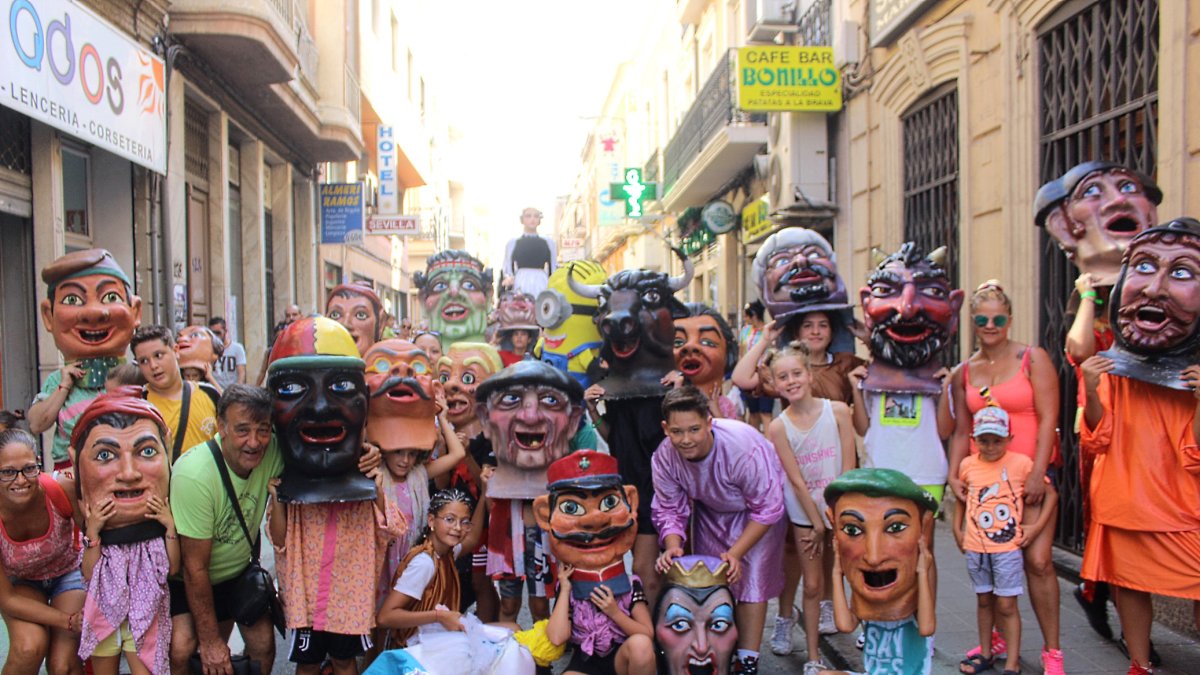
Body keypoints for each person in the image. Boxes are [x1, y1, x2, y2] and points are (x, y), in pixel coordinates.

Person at [1078, 218, 1200, 675]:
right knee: (1129, 585)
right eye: (1144, 267)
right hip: (1126, 501)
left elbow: (1195, 455)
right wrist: (1091, 388)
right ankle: (1139, 664)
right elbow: (1099, 438)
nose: (1153, 289)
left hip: (1186, 507)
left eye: (1183, 273)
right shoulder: (1116, 365)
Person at [946, 281, 1064, 675]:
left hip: (1027, 477)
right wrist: (953, 475)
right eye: (982, 319)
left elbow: (1049, 418)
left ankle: (1053, 651)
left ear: (1009, 319)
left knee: (1039, 560)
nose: (990, 325)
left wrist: (1038, 472)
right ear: (973, 322)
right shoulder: (966, 370)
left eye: (998, 318)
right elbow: (962, 431)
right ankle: (995, 639)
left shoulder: (1033, 358)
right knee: (991, 559)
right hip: (985, 481)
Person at [652, 386, 787, 675]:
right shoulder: (664, 457)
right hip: (711, 513)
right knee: (710, 581)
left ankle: (748, 661)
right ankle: (717, 654)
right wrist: (673, 545)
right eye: (677, 431)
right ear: (665, 428)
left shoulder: (743, 448)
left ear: (709, 422)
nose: (686, 440)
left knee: (752, 583)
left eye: (694, 429)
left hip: (756, 518)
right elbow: (668, 507)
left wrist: (736, 553)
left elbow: (767, 507)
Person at [167, 385, 282, 675]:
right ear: (222, 427)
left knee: (264, 644)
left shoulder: (273, 450)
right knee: (183, 649)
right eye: (242, 430)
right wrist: (210, 641)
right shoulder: (194, 474)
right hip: (189, 579)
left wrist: (368, 453)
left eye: (263, 430)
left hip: (238, 574)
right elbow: (195, 569)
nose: (254, 442)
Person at [762, 342, 854, 670]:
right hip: (806, 516)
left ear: (810, 374)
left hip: (840, 511)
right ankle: (814, 657)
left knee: (849, 574)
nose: (791, 381)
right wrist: (816, 522)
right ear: (774, 383)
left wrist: (837, 516)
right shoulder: (778, 427)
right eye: (783, 377)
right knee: (812, 584)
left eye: (797, 373)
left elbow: (847, 468)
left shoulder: (838, 411)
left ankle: (869, 642)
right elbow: (797, 480)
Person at [74, 392, 180, 675]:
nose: (129, 473)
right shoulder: (97, 537)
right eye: (105, 455)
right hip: (103, 612)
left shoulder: (155, 537)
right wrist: (93, 532)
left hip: (146, 613)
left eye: (146, 451)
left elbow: (173, 568)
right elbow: (88, 572)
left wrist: (169, 527)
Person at [952, 407, 1055, 675]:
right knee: (984, 600)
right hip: (976, 548)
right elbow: (962, 498)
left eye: (997, 440)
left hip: (1006, 550)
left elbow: (1051, 496)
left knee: (1007, 605)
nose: (990, 446)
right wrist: (956, 528)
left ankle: (1013, 662)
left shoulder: (1020, 464)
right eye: (984, 440)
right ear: (975, 439)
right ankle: (986, 652)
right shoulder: (968, 465)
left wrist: (1033, 529)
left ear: (1009, 438)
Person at [29, 249, 142, 471]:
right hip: (70, 475)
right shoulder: (59, 381)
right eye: (72, 299)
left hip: (125, 471)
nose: (93, 312)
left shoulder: (137, 375)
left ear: (135, 311)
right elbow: (36, 424)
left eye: (111, 297)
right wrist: (63, 387)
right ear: (48, 316)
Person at [823, 469, 937, 675]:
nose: (873, 558)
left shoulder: (913, 608)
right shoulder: (866, 603)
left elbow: (927, 628)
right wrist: (836, 572)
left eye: (895, 528)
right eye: (852, 530)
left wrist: (922, 572)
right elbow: (844, 625)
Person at [0, 428, 84, 675]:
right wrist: (67, 621)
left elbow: (93, 535)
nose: (21, 480)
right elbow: (6, 599)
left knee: (62, 664)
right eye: (7, 472)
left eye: (28, 468)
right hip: (21, 583)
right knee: (29, 648)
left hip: (69, 572)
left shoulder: (60, 489)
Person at [376, 488, 486, 648]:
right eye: (450, 519)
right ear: (431, 521)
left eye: (464, 522)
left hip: (431, 643)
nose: (457, 527)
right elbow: (385, 617)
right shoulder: (424, 563)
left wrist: (483, 495)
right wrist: (439, 616)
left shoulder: (446, 553)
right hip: (412, 651)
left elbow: (472, 539)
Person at [131, 326, 219, 461]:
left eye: (158, 355)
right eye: (144, 361)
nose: (153, 365)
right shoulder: (137, 405)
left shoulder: (210, 394)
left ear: (176, 351)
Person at [503, 207, 557, 297]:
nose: (532, 219)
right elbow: (508, 265)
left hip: (541, 281)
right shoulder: (513, 243)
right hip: (521, 280)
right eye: (528, 216)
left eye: (536, 216)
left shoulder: (548, 242)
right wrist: (509, 279)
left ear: (539, 220)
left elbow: (553, 266)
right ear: (522, 219)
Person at [736, 301, 773, 431]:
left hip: (764, 375)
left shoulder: (769, 331)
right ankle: (754, 443)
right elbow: (741, 353)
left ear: (754, 316)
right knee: (753, 412)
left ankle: (769, 446)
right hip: (748, 376)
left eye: (746, 316)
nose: (745, 319)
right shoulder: (745, 331)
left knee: (766, 412)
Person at [208, 318, 247, 390]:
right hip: (214, 390)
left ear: (225, 331)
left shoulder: (237, 348)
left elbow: (241, 373)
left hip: (231, 390)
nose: (215, 336)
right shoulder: (208, 349)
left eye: (218, 333)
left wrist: (237, 390)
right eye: (213, 333)